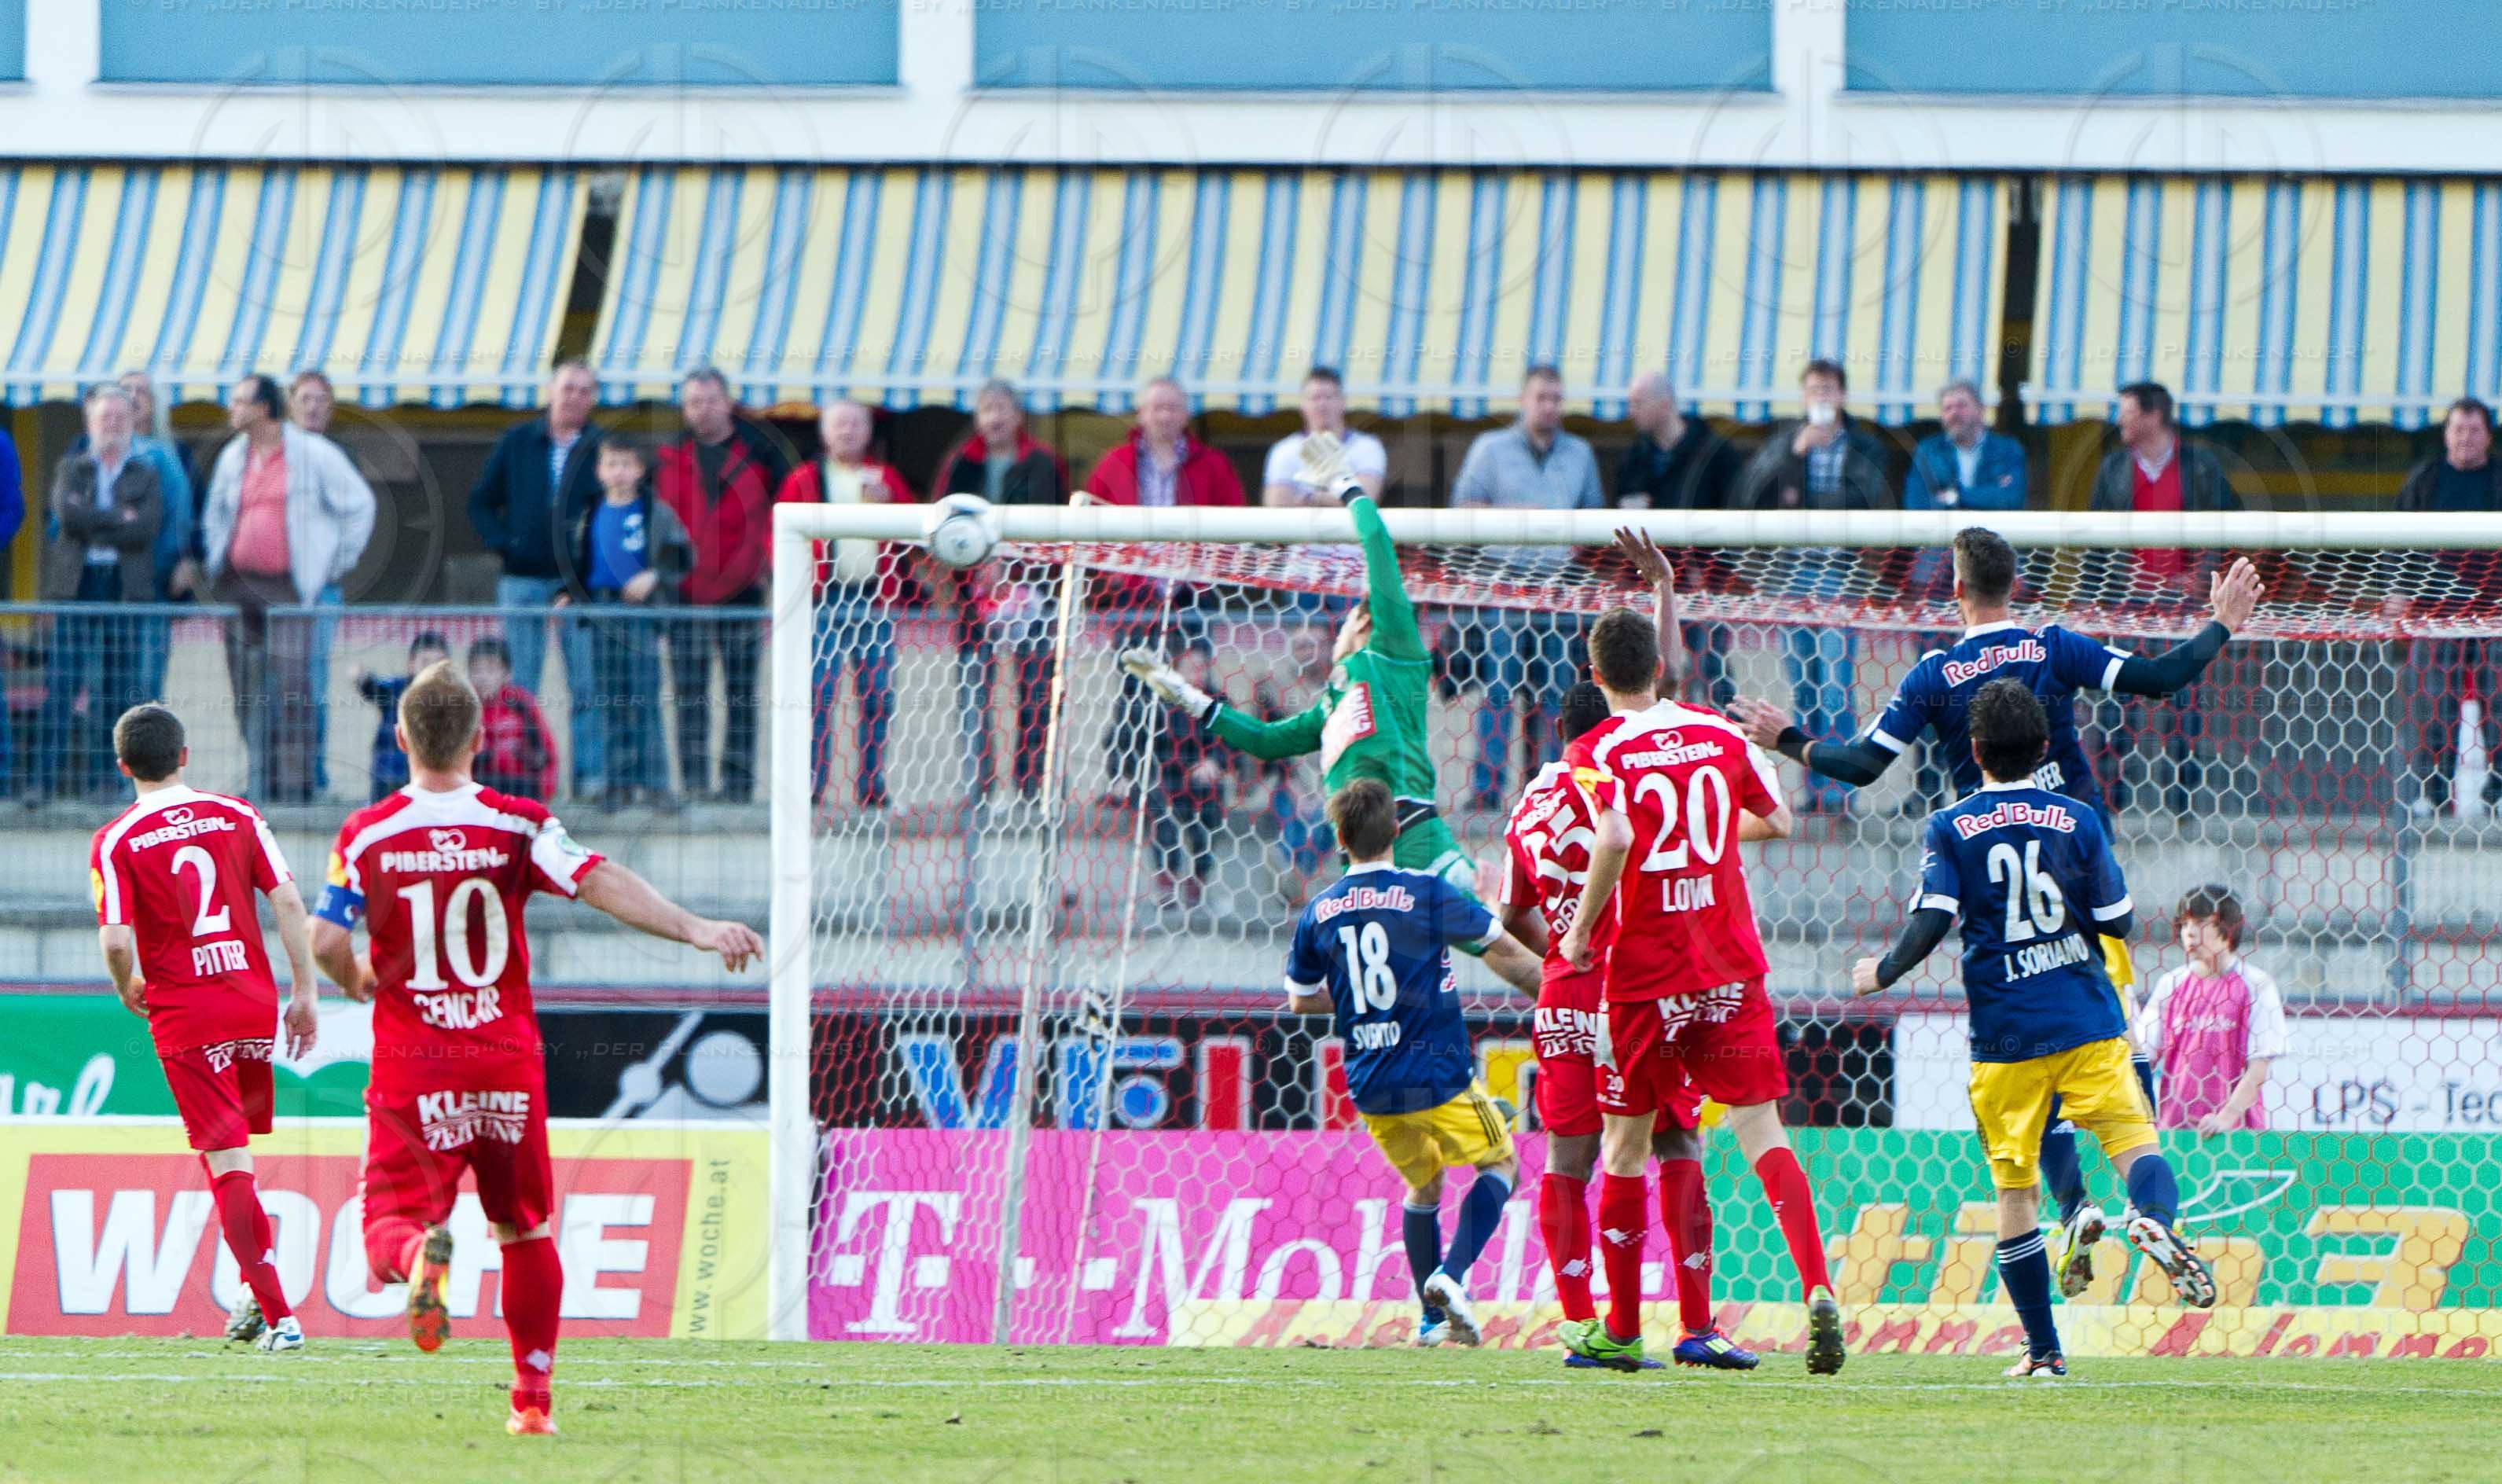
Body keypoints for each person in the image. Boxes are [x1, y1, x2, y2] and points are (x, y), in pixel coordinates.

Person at [1736, 526, 2258, 1291]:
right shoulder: (2054, 646)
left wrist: (1791, 739)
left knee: (2025, 1066)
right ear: (2016, 583)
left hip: (1994, 896)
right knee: (2117, 1037)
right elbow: (2163, 676)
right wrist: (2221, 623)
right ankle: (2145, 1205)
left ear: (1954, 590)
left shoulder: (1935, 673)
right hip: (2081, 875)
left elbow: (1862, 765)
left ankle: (2073, 1202)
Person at [310, 660, 762, 1434]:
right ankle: (532, 1403)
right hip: (505, 1062)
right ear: (481, 738)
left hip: (416, 1068)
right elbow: (596, 877)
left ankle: (421, 1254)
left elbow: (323, 936)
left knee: (385, 1223)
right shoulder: (518, 822)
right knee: (524, 1228)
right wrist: (694, 927)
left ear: (399, 736)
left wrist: (351, 973)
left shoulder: (368, 832)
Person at [1852, 680, 2217, 1377]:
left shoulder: (1950, 825)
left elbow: (1932, 918)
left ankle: (2044, 1353)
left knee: (2014, 1194)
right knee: (2133, 1140)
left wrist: (1886, 970)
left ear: (1975, 749)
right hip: (2086, 1017)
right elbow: (2117, 921)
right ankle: (2156, 1223)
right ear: (2044, 747)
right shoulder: (2077, 818)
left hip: (2006, 1034)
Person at [1552, 608, 1843, 1375]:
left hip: (1646, 975)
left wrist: (1581, 932)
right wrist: (1709, 842)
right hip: (1727, 965)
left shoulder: (1595, 748)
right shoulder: (1718, 733)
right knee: (1762, 1133)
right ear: (1661, 667)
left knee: (1625, 1143)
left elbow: (1613, 837)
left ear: (1594, 675)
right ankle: (1817, 1285)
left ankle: (1619, 1326)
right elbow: (1778, 819)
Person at [1500, 680, 1751, 1373]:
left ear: (1557, 728)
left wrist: (1559, 950)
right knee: (1675, 1139)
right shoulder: (1629, 774)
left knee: (1566, 1159)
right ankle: (1696, 1325)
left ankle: (1586, 1328)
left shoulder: (1528, 804)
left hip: (1563, 992)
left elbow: (1509, 915)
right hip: (1636, 983)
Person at [1125, 435, 1476, 892]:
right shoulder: (1331, 704)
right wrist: (1188, 697)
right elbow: (1265, 741)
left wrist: (1347, 485)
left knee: (1496, 938)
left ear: (1364, 624)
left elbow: (1377, 547)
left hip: (1412, 830)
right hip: (1362, 857)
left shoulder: (1394, 651)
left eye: (1351, 616)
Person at [88, 703, 320, 1354]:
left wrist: (124, 984)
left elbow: (114, 939)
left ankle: (281, 1318)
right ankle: (256, 1287)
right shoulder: (239, 814)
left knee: (226, 1161)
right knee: (240, 1155)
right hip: (250, 1002)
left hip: (188, 1013)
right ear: (185, 755)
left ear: (124, 765)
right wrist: (303, 991)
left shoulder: (117, 839)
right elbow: (288, 900)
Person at [1283, 778, 1545, 1346]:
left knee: (1424, 1185)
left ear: (1339, 838)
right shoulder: (1423, 893)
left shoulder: (1319, 910)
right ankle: (1449, 1278)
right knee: (1500, 1165)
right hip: (1437, 1073)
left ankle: (1428, 1322)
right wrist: (1564, 997)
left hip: (1371, 1084)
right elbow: (1502, 951)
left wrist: (1353, 998)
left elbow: (1300, 998)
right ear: (1397, 832)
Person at [202, 372, 377, 803]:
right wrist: (215, 558)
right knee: (246, 686)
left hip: (291, 589)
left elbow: (361, 506)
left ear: (264, 408)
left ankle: (297, 785)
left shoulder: (313, 453)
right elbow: (216, 513)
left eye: (241, 401)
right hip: (239, 585)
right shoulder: (232, 456)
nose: (233, 409)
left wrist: (332, 564)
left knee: (294, 687)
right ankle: (262, 778)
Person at [1734, 359, 1894, 814]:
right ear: (1803, 397)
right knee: (1803, 685)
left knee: (1836, 685)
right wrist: (1795, 455)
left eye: (1829, 388)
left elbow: (1873, 503)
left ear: (1842, 395)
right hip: (1791, 574)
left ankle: (1838, 790)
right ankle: (1810, 787)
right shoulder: (1786, 441)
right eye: (1813, 389)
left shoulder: (1865, 446)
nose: (1821, 397)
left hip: (1841, 572)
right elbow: (1753, 492)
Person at [1450, 365, 1604, 808]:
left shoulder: (1580, 453)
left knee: (1556, 690)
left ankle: (1550, 789)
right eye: (1542, 397)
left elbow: (1592, 514)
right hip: (1503, 583)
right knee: (1499, 687)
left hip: (1556, 588)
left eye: (1557, 398)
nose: (1550, 406)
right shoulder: (1490, 449)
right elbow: (1464, 505)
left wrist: (1572, 540)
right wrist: (1515, 514)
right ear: (1522, 399)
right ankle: (1487, 790)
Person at [2087, 380, 2242, 814]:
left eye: (2127, 411)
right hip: (2127, 608)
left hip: (2184, 610)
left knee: (2185, 707)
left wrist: (2201, 575)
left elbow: (2229, 526)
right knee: (2117, 708)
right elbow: (2095, 544)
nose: (2119, 419)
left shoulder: (2200, 465)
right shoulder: (2113, 469)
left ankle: (2183, 807)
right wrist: (2093, 599)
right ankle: (2110, 807)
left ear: (2153, 416)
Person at [1085, 377, 1247, 788]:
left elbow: (1237, 522)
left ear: (1186, 413)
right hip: (1135, 599)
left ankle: (1191, 774)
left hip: (1192, 598)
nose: (1163, 415)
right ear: (1141, 413)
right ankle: (1131, 776)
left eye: (1172, 407)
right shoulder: (1116, 462)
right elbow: (1090, 527)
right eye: (1155, 407)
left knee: (1194, 686)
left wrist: (1209, 571)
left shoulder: (1211, 464)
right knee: (1135, 686)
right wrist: (1114, 578)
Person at [655, 367, 789, 803]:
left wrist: (767, 563)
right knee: (690, 693)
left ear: (727, 401)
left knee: (741, 694)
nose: (702, 410)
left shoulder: (760, 453)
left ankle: (737, 786)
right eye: (693, 402)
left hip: (742, 592)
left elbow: (781, 514)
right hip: (687, 595)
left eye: (710, 400)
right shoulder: (671, 458)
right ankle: (694, 784)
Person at [930, 379, 1067, 799]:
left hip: (1033, 594)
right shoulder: (959, 464)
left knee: (1036, 690)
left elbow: (1060, 528)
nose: (995, 417)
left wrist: (1019, 570)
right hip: (973, 598)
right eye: (987, 409)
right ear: (977, 417)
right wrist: (960, 578)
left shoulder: (1044, 463)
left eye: (1003, 409)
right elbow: (939, 527)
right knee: (975, 691)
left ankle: (1031, 784)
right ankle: (981, 784)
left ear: (1018, 415)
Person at [780, 401, 910, 809]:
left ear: (869, 432)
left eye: (856, 424)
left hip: (875, 598)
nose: (848, 432)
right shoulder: (805, 479)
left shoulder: (885, 478)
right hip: (825, 599)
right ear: (824, 433)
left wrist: (890, 504)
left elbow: (915, 533)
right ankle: (814, 785)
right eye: (840, 425)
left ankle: (872, 785)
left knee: (877, 694)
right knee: (820, 692)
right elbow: (779, 535)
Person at [42, 385, 163, 799]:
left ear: (132, 423)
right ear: (89, 423)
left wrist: (94, 519)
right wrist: (116, 518)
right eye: (104, 417)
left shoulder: (146, 472)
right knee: (64, 682)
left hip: (124, 587)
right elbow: (67, 517)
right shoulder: (71, 468)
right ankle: (44, 781)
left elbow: (145, 527)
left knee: (116, 686)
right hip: (76, 586)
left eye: (120, 417)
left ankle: (107, 781)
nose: (112, 424)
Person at [565, 437, 689, 805]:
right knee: (609, 700)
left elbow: (682, 554)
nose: (619, 472)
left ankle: (655, 783)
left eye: (627, 464)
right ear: (600, 472)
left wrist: (654, 576)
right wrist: (570, 593)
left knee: (644, 697)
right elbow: (577, 561)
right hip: (601, 612)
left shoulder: (655, 511)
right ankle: (616, 784)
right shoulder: (590, 512)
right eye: (612, 464)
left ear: (639, 470)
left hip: (640, 616)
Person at [2394, 398, 2502, 814]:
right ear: (2446, 434)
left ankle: (2497, 788)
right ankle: (2434, 790)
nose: (2466, 438)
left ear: (2488, 436)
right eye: (2459, 430)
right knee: (2434, 702)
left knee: (2498, 698)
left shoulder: (2498, 480)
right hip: (2436, 611)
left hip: (2494, 611)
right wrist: (2398, 591)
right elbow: (2399, 539)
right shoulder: (2426, 480)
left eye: (2475, 430)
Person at [1613, 373, 1743, 707]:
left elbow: (1736, 518)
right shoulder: (1634, 456)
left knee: (1709, 672)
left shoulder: (1714, 454)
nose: (1631, 412)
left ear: (1665, 403)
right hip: (1649, 586)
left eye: (1637, 403)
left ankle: (1716, 734)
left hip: (1705, 589)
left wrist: (1713, 572)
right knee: (1655, 670)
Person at [2138, 884, 2285, 1134]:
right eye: (2185, 925)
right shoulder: (2170, 985)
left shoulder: (2257, 985)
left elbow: (2258, 1068)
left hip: (2236, 1134)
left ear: (2228, 927)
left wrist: (2226, 1119)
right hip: (2173, 1131)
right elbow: (2142, 1060)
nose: (2190, 934)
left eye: (2201, 923)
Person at [1148, 638, 1233, 909]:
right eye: (1189, 665)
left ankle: (1197, 879)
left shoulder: (1219, 702)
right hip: (1168, 775)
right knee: (1161, 816)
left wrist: (1214, 762)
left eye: (1201, 666)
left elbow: (1231, 742)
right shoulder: (1160, 701)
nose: (1196, 671)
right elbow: (1138, 741)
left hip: (1203, 779)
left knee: (1207, 819)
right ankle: (1167, 881)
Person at [350, 631, 450, 802]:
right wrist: (363, 679)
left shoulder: (451, 697)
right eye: (425, 662)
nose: (432, 669)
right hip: (389, 775)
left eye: (438, 663)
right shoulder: (396, 688)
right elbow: (374, 689)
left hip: (429, 778)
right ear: (412, 664)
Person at [468, 636, 558, 804]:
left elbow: (546, 754)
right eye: (477, 670)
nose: (483, 677)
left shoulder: (522, 704)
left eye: (491, 670)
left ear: (507, 674)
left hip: (520, 789)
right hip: (477, 791)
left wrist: (542, 795)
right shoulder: (465, 708)